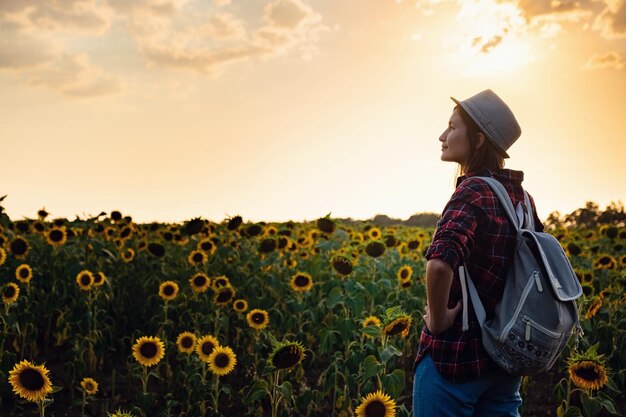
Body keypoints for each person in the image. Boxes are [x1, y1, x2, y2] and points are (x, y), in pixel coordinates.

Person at [412, 89, 545, 417]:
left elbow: (439, 264)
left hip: (455, 358)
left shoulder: (473, 191)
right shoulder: (522, 199)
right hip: (503, 362)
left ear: (479, 140)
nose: (443, 136)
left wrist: (439, 321)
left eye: (452, 127)